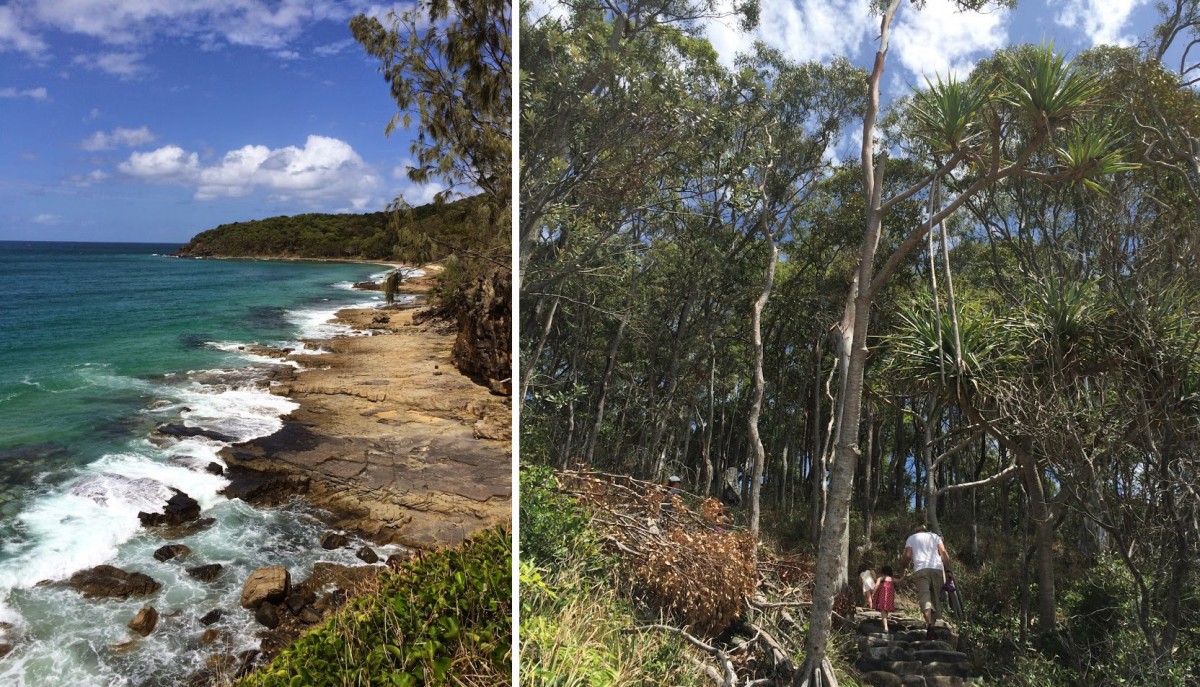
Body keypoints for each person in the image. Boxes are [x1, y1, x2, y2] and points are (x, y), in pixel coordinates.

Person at [904, 522, 953, 640]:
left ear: (916, 531)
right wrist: (948, 569)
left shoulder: (911, 538)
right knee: (935, 597)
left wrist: (903, 567)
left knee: (925, 596)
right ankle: (937, 627)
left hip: (921, 569)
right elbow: (944, 553)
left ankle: (929, 625)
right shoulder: (935, 537)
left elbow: (907, 555)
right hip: (937, 568)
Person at [873, 565, 900, 632]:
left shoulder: (881, 578)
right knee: (886, 610)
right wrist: (904, 575)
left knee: (883, 610)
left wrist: (873, 593)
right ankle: (885, 624)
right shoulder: (892, 579)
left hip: (882, 596)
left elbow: (876, 585)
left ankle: (885, 627)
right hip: (889, 597)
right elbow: (899, 581)